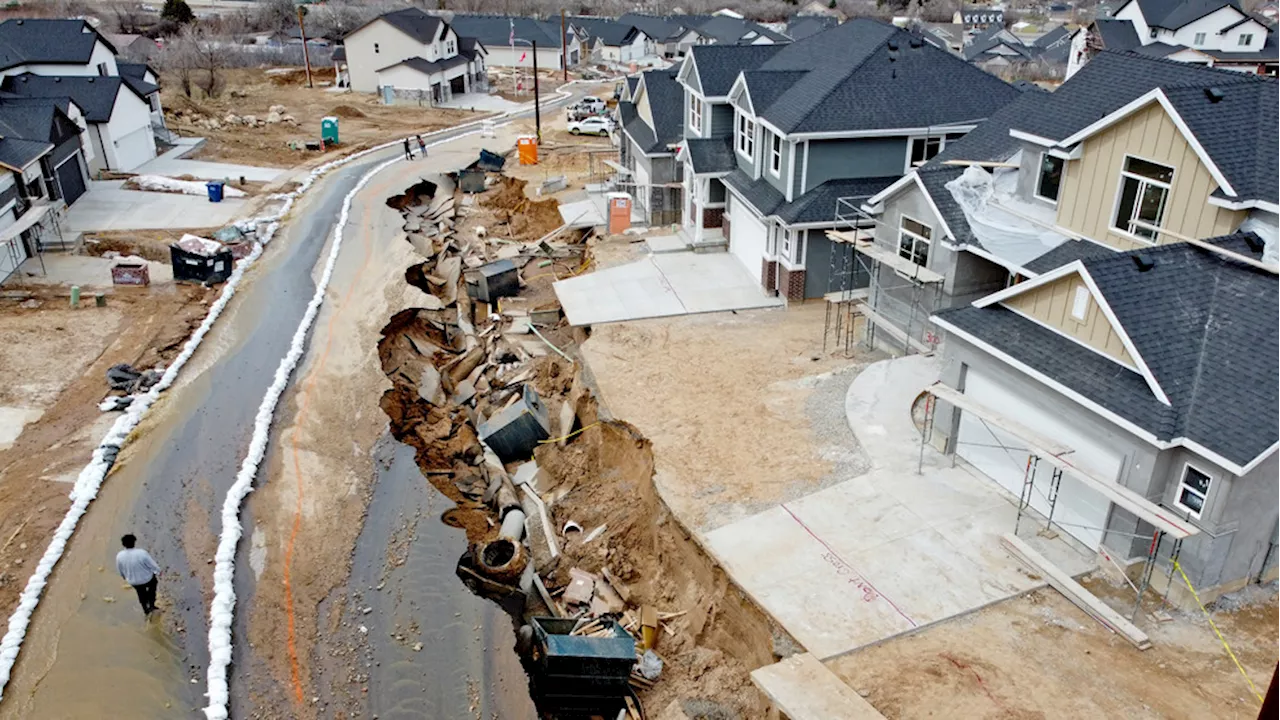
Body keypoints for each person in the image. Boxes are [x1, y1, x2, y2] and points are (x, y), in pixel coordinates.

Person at [116, 534, 161, 616]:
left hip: (133, 582)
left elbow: (120, 570)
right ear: (134, 542)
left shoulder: (119, 556)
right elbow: (152, 565)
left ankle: (145, 609)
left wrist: (124, 577)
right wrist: (158, 571)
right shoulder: (142, 553)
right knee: (152, 588)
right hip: (147, 579)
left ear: (123, 544)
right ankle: (152, 605)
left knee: (140, 593)